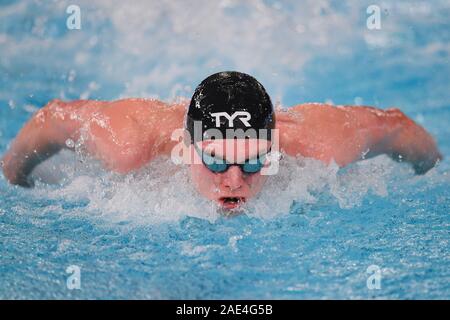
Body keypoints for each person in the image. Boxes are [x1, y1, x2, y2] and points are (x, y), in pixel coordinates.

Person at [1, 71, 442, 210]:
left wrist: (435, 178)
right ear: (186, 146)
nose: (234, 181)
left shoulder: (316, 144)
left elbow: (396, 125)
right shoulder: (129, 142)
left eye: (253, 162)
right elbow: (51, 118)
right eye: (216, 161)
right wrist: (12, 177)